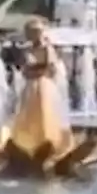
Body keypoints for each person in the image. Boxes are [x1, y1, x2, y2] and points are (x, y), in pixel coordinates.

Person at [9, 17, 64, 153]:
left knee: (42, 112)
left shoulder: (46, 48)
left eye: (32, 33)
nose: (31, 36)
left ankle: (46, 140)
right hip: (30, 84)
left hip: (42, 85)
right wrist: (28, 69)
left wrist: (35, 69)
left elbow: (50, 68)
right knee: (27, 112)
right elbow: (24, 69)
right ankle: (26, 141)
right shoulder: (27, 49)